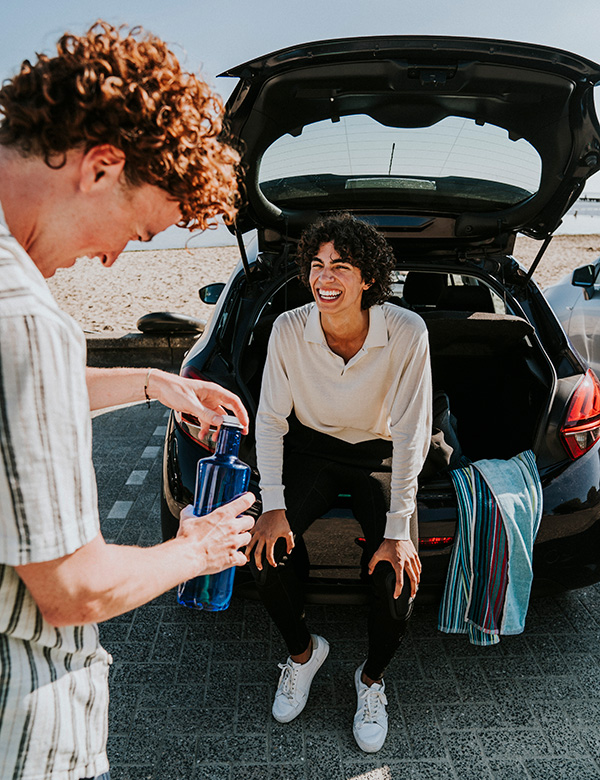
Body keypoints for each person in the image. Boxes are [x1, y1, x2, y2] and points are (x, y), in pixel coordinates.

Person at [0, 22, 255, 780]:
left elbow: (16, 406)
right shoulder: (25, 315)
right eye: (137, 232)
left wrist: (148, 383)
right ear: (102, 166)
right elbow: (74, 592)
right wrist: (195, 549)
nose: (113, 257)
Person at [246, 212, 432, 753]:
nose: (325, 278)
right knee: (263, 553)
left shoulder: (406, 331)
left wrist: (398, 529)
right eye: (317, 265)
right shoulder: (288, 328)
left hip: (381, 452)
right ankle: (304, 653)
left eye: (341, 267)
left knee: (397, 574)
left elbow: (412, 433)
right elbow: (271, 421)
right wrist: (274, 503)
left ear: (368, 277)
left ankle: (371, 680)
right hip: (313, 448)